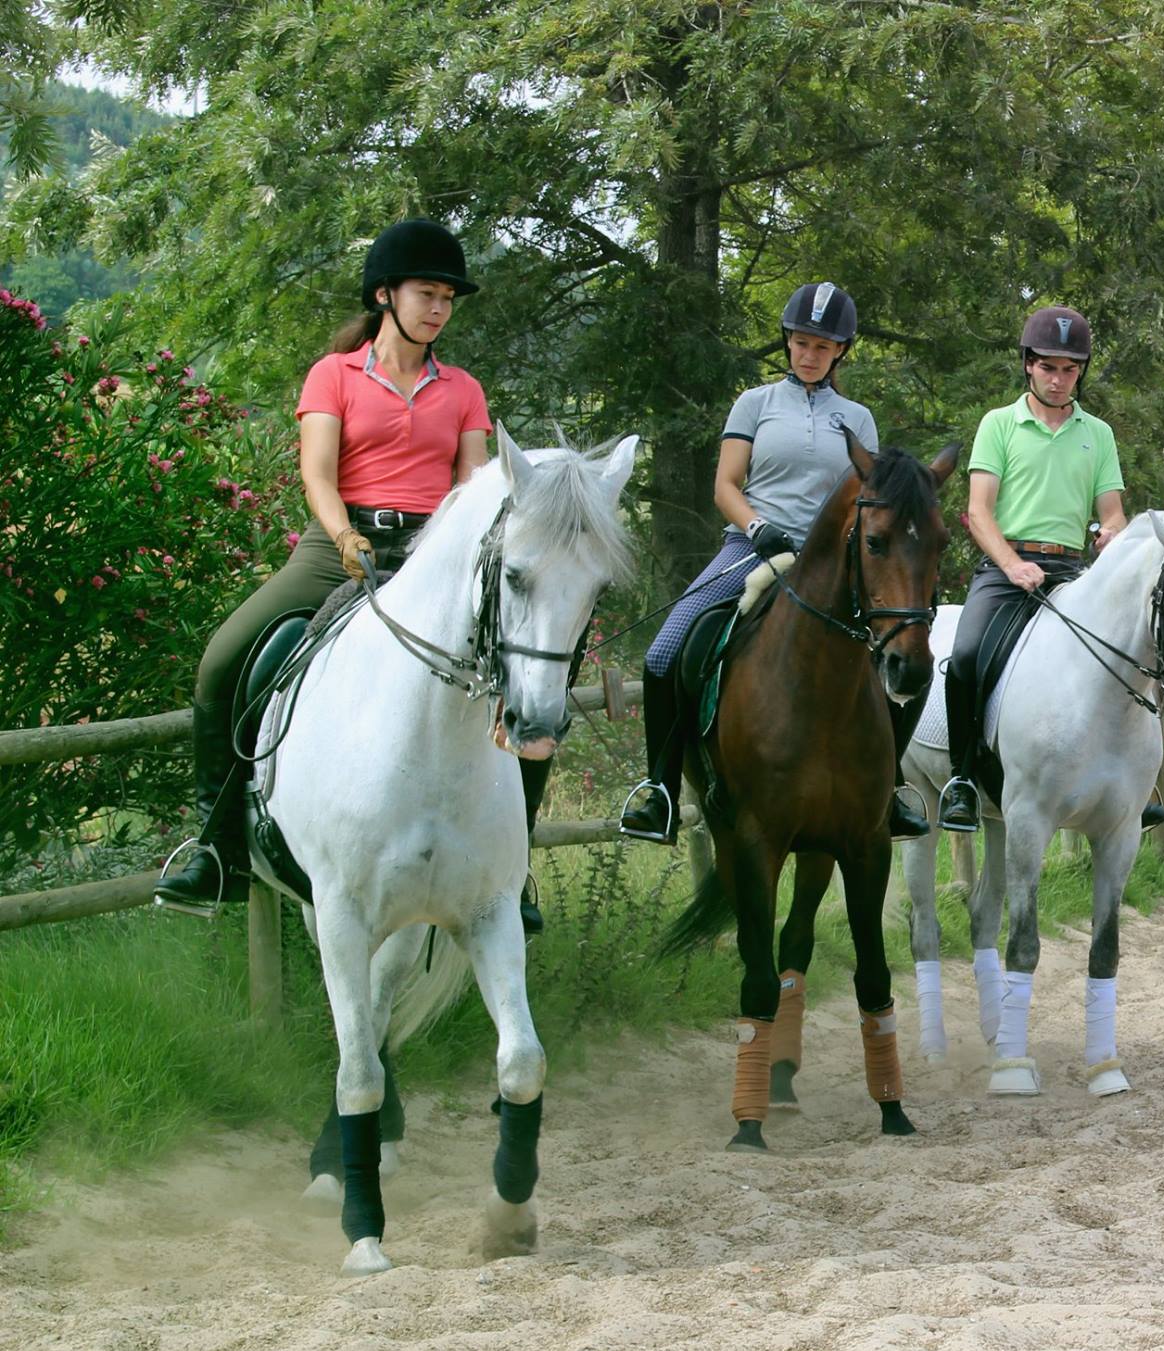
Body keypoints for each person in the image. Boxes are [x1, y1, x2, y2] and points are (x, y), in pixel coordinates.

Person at [155, 218, 551, 935]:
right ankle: (218, 851)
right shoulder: (332, 375)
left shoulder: (463, 388)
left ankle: (514, 873)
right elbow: (316, 472)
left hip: (433, 554)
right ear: (385, 295)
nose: (439, 308)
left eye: (447, 298)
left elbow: (469, 483)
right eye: (426, 293)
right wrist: (344, 535)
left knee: (524, 679)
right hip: (335, 546)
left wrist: (445, 547)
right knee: (223, 659)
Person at [619, 281, 929, 843]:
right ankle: (658, 791)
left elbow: (872, 499)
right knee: (664, 652)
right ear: (788, 341)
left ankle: (890, 786)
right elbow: (726, 484)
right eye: (800, 342)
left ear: (841, 351)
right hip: (751, 546)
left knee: (904, 655)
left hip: (834, 565)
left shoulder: (859, 418)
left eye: (822, 346)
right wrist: (758, 527)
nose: (809, 354)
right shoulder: (754, 403)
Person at [936, 305, 1163, 834]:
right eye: (1048, 368)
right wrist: (1012, 565)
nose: (1059, 380)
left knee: (1141, 655)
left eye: (1069, 369)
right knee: (967, 656)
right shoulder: (999, 425)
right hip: (1006, 567)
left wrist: (1112, 535)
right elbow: (979, 512)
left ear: (1079, 372)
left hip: (1073, 570)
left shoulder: (1098, 434)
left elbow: (1112, 512)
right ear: (1028, 366)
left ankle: (1137, 782)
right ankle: (963, 779)